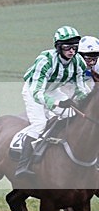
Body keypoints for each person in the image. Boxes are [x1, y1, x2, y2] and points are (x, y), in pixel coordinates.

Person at [15, 26, 91, 177]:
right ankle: (22, 165)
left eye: (75, 47)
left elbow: (81, 88)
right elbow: (37, 92)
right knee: (40, 123)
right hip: (33, 90)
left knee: (71, 114)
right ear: (58, 47)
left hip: (53, 90)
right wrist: (56, 104)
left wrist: (83, 102)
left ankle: (57, 144)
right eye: (67, 47)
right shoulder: (45, 60)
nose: (72, 51)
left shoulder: (78, 62)